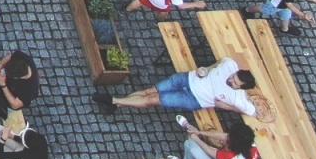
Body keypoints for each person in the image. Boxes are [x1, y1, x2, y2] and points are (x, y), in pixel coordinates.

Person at [106, 56, 258, 117]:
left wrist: (225, 106)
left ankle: (114, 100)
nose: (230, 80)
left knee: (152, 99)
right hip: (188, 78)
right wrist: (207, 68)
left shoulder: (238, 98)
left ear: (241, 88)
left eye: (234, 83)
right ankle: (117, 104)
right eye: (233, 77)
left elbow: (251, 112)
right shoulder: (230, 65)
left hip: (192, 99)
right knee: (149, 91)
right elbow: (221, 61)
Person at [169, 118, 260, 159]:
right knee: (200, 143)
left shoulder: (232, 156)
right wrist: (199, 132)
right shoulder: (249, 142)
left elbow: (209, 150)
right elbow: (224, 136)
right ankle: (194, 131)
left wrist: (194, 137)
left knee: (190, 144)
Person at [0, 52, 40, 121]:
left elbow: (15, 104)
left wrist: (3, 84)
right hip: (4, 82)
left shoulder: (30, 90)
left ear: (17, 78)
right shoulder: (23, 58)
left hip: (10, 96)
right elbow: (8, 57)